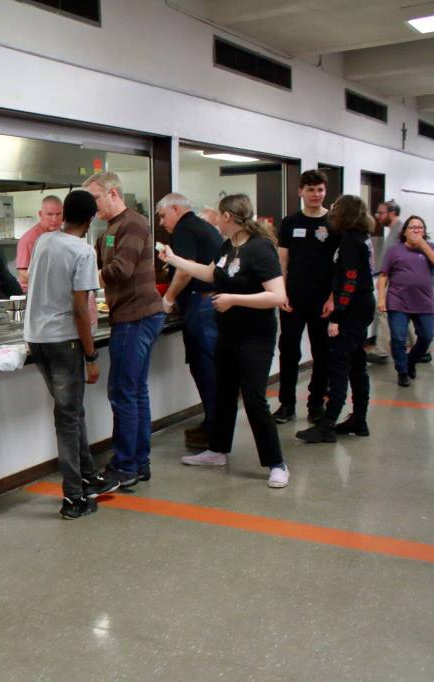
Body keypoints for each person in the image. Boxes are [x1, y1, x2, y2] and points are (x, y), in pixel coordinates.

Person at [159, 194, 290, 488]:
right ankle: (217, 450)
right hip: (227, 332)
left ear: (228, 217)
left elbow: (277, 296)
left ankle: (276, 463)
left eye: (218, 215)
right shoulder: (228, 246)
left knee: (254, 399)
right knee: (223, 392)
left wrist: (233, 299)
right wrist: (176, 259)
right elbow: (211, 273)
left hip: (255, 337)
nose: (215, 220)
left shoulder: (260, 249)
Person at [82, 171, 165, 494]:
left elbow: (120, 270)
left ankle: (125, 465)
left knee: (123, 392)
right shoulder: (110, 230)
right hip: (131, 315)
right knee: (135, 391)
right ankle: (139, 461)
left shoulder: (132, 223)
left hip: (136, 316)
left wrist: (83, 277)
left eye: (96, 199)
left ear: (113, 193)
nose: (93, 207)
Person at [24, 190, 102, 519]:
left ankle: (88, 475)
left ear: (65, 214)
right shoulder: (83, 251)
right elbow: (81, 309)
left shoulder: (45, 241)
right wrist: (90, 355)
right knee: (68, 418)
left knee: (72, 411)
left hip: (36, 338)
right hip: (64, 340)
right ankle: (73, 498)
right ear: (90, 219)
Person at [297, 196, 376, 442]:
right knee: (356, 363)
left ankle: (328, 424)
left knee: (339, 365)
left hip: (353, 309)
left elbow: (349, 281)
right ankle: (359, 419)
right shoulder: (360, 236)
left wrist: (337, 317)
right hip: (362, 306)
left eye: (336, 208)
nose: (332, 211)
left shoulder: (351, 240)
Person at [157, 193, 223, 450]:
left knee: (206, 368)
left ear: (176, 209)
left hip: (201, 304)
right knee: (206, 367)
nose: (162, 222)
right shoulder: (203, 227)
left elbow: (185, 270)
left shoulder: (184, 228)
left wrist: (168, 299)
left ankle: (215, 431)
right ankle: (213, 424)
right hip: (209, 303)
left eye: (163, 216)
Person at [273, 169, 339, 425]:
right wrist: (281, 292)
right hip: (293, 298)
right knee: (288, 351)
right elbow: (282, 261)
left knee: (322, 352)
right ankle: (286, 404)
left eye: (320, 189)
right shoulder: (290, 222)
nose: (315, 194)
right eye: (310, 189)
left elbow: (340, 265)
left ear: (325, 191)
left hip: (323, 299)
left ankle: (315, 404)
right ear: (300, 191)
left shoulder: (334, 223)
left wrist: (333, 298)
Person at [378, 216, 434, 386]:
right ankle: (402, 371)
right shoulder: (394, 251)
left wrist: (422, 245)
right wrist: (381, 299)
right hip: (398, 301)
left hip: (424, 302)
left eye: (420, 227)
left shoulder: (431, 247)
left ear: (424, 231)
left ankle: (411, 361)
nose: (416, 230)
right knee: (398, 338)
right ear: (405, 231)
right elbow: (383, 277)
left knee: (427, 337)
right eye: (412, 227)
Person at [367, 200, 404, 364]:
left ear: (392, 213)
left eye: (381, 213)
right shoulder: (393, 232)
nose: (378, 216)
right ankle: (420, 347)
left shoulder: (401, 232)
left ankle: (381, 351)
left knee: (383, 311)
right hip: (389, 278)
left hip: (396, 280)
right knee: (390, 311)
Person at [16, 195, 63, 291]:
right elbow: (23, 275)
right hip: (38, 295)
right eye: (49, 214)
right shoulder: (29, 240)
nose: (54, 219)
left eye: (58, 214)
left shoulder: (65, 237)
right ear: (40, 214)